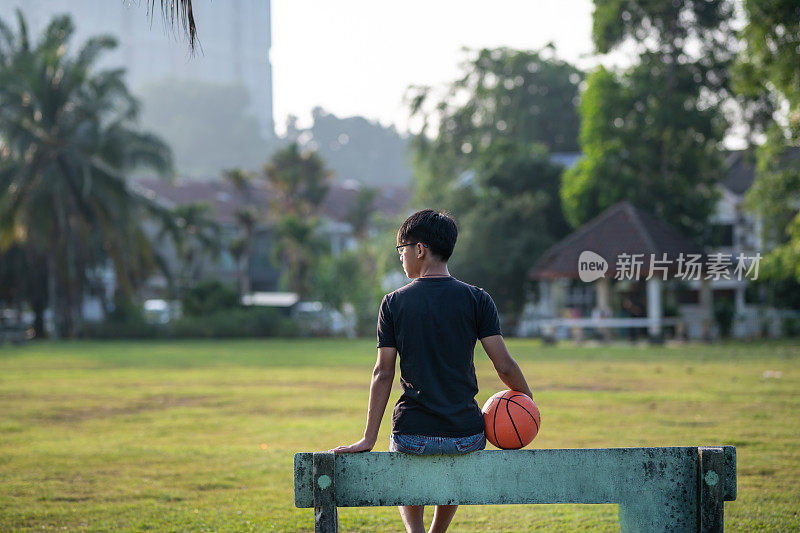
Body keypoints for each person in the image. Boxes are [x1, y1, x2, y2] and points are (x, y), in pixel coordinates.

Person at [329, 209, 533, 533]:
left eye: (402, 250)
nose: (401, 258)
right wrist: (528, 401)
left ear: (420, 249)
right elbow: (504, 364)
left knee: (405, 457)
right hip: (465, 436)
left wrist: (368, 437)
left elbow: (383, 373)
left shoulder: (393, 303)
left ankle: (416, 531)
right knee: (454, 457)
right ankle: (438, 531)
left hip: (413, 435)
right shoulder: (478, 299)